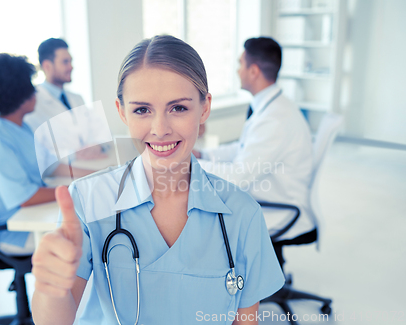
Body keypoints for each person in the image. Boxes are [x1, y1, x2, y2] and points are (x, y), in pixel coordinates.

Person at [31, 35, 285, 325]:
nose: (160, 129)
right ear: (121, 112)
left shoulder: (242, 214)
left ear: (204, 108)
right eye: (142, 110)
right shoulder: (88, 200)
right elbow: (54, 321)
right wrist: (50, 287)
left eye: (178, 108)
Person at [0, 54, 93, 258]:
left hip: (25, 216)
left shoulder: (21, 127)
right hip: (6, 230)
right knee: (80, 237)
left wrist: (96, 175)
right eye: (30, 86)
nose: (35, 91)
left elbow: (52, 166)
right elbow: (26, 198)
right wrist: (75, 191)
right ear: (19, 95)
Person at [194, 37, 314, 245]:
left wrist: (187, 163)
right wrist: (203, 155)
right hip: (270, 195)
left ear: (254, 71)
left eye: (241, 64)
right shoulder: (273, 107)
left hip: (277, 208)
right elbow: (243, 148)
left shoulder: (274, 120)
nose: (237, 71)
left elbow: (236, 178)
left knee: (200, 217)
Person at [24, 38, 109, 161]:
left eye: (71, 61)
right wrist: (73, 154)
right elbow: (37, 149)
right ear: (47, 66)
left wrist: (98, 145)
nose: (71, 67)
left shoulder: (77, 99)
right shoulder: (33, 103)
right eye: (65, 62)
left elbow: (100, 129)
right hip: (59, 173)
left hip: (87, 165)